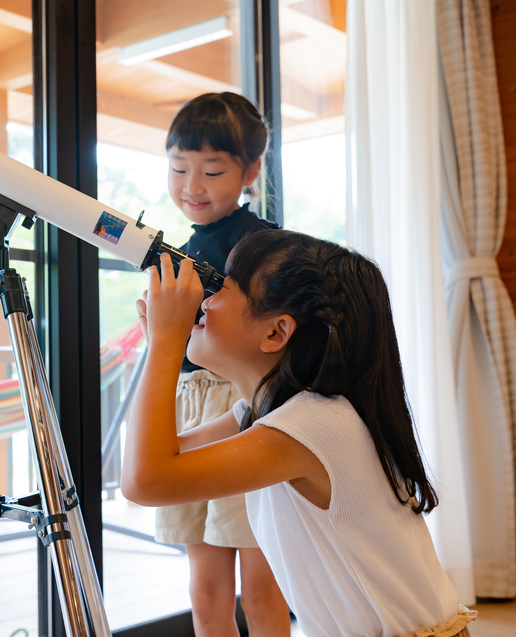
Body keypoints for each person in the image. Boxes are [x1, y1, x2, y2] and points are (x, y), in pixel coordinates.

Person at [124, 230, 477, 637]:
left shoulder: (311, 425)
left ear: (276, 333)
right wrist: (161, 342)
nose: (204, 300)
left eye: (224, 288)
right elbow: (160, 457)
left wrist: (166, 344)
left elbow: (144, 480)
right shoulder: (267, 413)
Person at [154, 92, 288, 636]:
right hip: (189, 405)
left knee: (261, 589)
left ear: (250, 170)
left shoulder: (262, 245)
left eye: (211, 170)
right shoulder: (175, 250)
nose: (192, 185)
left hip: (241, 407)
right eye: (179, 168)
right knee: (205, 589)